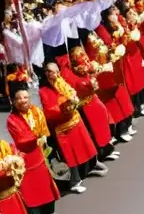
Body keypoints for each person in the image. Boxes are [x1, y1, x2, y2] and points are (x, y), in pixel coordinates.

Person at [40, 61, 100, 193]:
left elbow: (74, 91)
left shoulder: (62, 82)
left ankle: (92, 165)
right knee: (71, 155)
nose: (55, 74)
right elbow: (49, 111)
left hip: (75, 120)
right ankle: (74, 181)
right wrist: (65, 107)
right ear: (46, 75)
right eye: (52, 72)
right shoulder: (44, 91)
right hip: (63, 127)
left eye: (57, 71)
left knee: (86, 146)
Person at [6, 89, 64, 214]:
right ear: (14, 102)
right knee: (30, 189)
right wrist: (37, 137)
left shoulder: (36, 111)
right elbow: (21, 139)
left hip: (39, 153)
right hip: (25, 158)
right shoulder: (12, 120)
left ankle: (49, 213)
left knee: (45, 184)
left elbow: (44, 128)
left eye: (25, 97)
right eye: (19, 98)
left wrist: (43, 137)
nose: (23, 100)